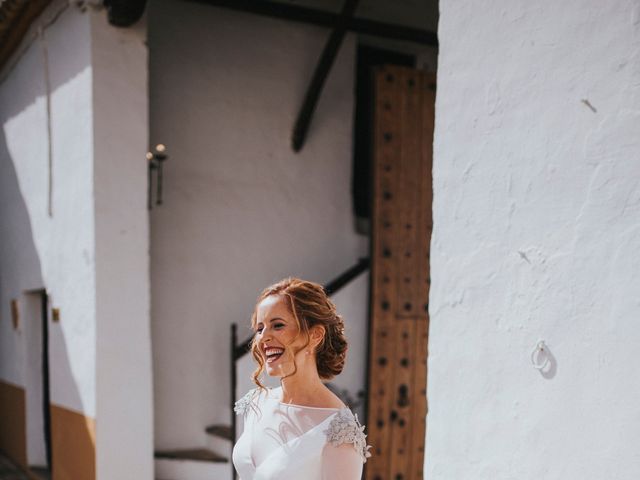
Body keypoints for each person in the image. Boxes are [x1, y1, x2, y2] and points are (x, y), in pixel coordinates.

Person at [232, 277, 371, 480]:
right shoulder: (256, 402)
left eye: (277, 325)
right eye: (260, 329)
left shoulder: (339, 431)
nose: (263, 338)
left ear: (315, 335)